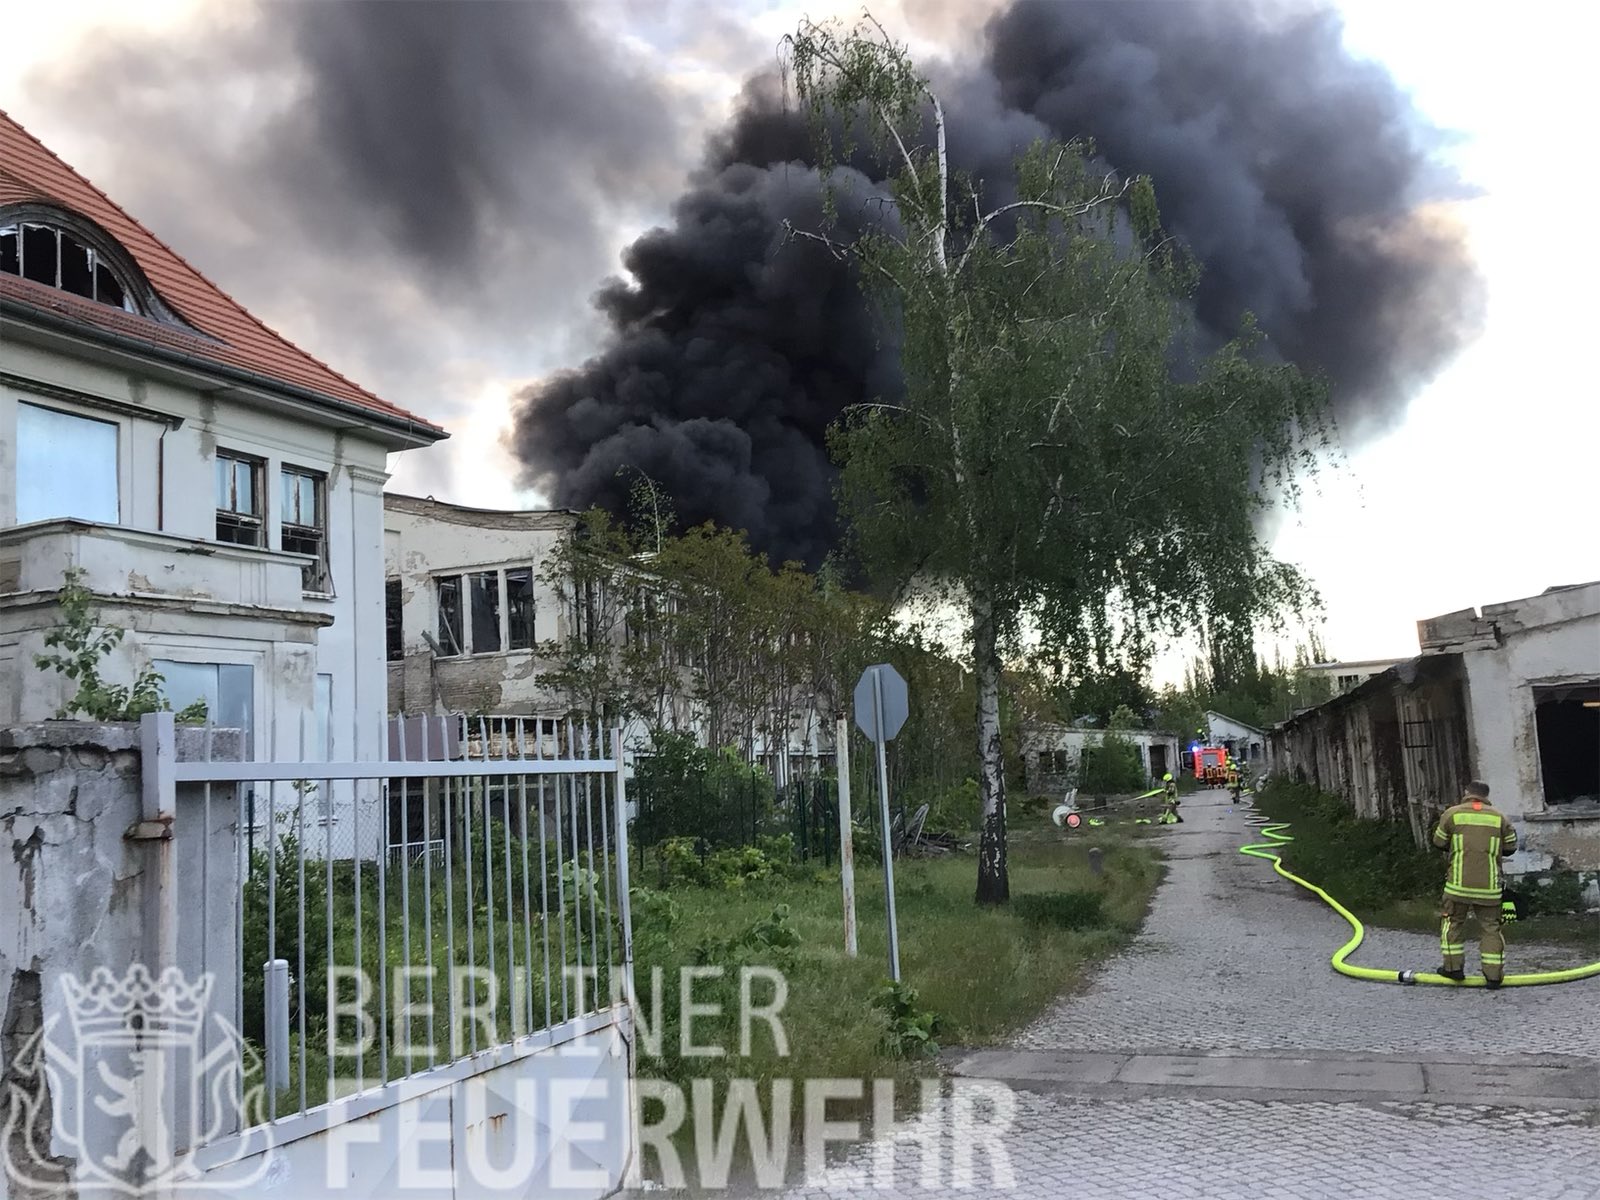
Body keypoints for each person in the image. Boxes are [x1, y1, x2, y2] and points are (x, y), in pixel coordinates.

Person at [1431, 780, 1518, 988]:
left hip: (1457, 886)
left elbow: (1439, 842)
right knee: (1491, 929)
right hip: (1489, 888)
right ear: (1486, 795)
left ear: (1467, 793)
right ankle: (1494, 976)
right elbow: (1511, 846)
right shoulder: (1499, 817)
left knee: (1452, 923)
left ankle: (1453, 969)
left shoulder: (1452, 814)